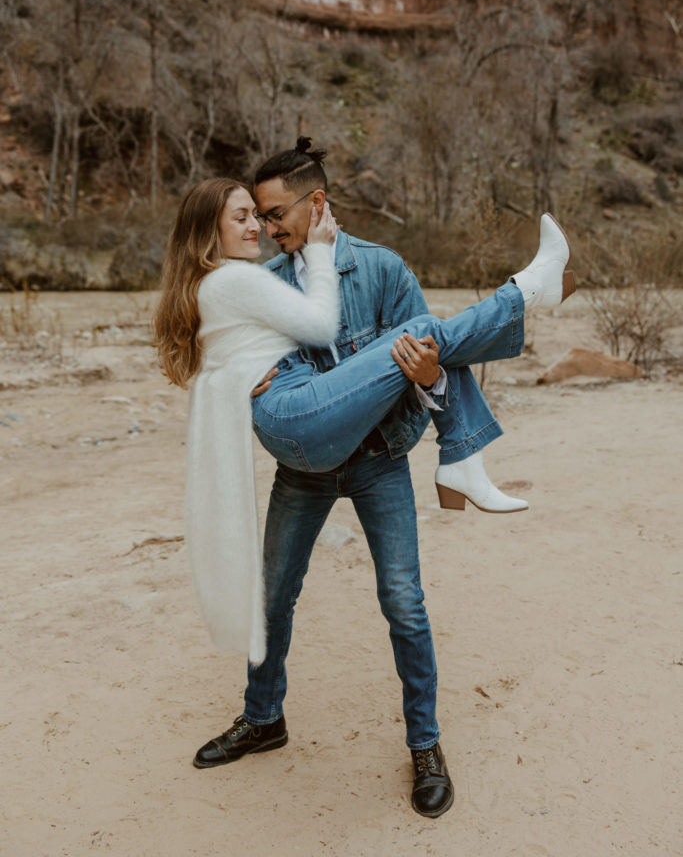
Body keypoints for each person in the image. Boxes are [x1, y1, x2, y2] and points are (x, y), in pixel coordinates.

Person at [154, 142, 574, 819]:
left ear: (314, 202)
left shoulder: (381, 267)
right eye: (254, 216)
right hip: (306, 469)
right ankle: (262, 719)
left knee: (403, 601)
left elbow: (439, 358)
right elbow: (253, 362)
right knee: (272, 596)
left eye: (274, 212)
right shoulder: (268, 276)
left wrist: (430, 377)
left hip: (379, 457)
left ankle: (425, 745)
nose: (265, 228)